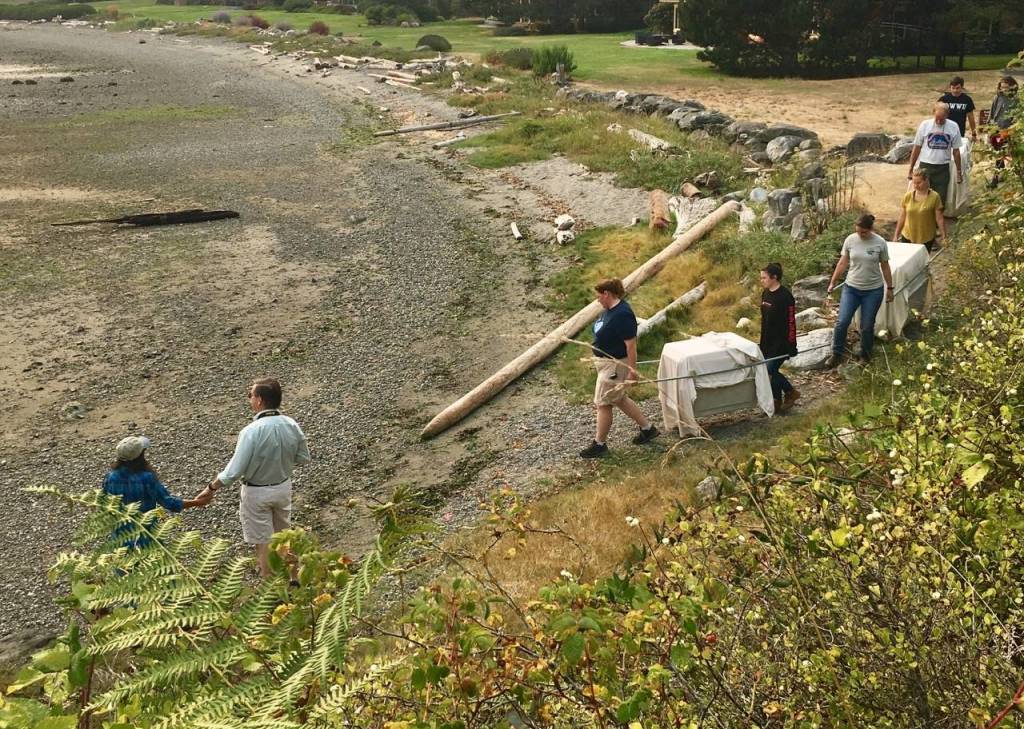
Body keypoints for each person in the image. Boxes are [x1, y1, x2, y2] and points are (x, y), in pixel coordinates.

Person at [195, 378, 311, 577]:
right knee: (284, 535)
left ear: (259, 400)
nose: (249, 399)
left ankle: (268, 590)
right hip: (283, 486)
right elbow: (303, 457)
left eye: (250, 395)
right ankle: (294, 578)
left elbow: (234, 471)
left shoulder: (251, 431)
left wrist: (211, 488)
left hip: (256, 491)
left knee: (263, 541)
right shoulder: (291, 424)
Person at [579, 278, 659, 458]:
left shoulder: (622, 314)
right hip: (604, 364)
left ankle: (599, 444)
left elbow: (631, 345)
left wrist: (632, 371)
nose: (597, 299)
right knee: (619, 399)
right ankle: (648, 429)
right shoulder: (608, 310)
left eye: (599, 296)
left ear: (607, 294)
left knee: (603, 402)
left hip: (615, 366)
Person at [103, 436, 208, 546]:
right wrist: (197, 502)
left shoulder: (110, 477)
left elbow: (105, 505)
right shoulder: (146, 478)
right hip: (147, 539)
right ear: (140, 456)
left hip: (120, 540)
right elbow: (169, 503)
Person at [825, 214, 894, 366]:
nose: (860, 234)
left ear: (870, 229)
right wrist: (833, 281)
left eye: (863, 232)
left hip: (873, 290)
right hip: (851, 288)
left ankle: (865, 355)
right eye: (858, 231)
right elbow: (843, 262)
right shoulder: (850, 240)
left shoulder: (880, 243)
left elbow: (885, 266)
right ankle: (837, 353)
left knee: (867, 325)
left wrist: (890, 288)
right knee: (842, 321)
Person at [758, 263, 799, 412]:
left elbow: (791, 321)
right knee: (770, 370)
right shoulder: (765, 293)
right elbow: (764, 320)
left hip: (781, 342)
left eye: (764, 277)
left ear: (774, 277)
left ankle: (790, 392)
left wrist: (792, 344)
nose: (761, 280)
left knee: (770, 369)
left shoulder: (785, 296)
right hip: (768, 341)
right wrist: (762, 343)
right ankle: (777, 401)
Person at [907, 101, 963, 206]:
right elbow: (917, 147)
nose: (938, 121)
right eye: (936, 118)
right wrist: (910, 169)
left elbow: (956, 151)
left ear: (947, 115)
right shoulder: (925, 125)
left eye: (941, 119)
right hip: (925, 165)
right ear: (933, 113)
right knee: (922, 195)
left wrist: (959, 172)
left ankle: (937, 220)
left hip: (943, 167)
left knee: (940, 198)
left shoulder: (953, 127)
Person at [894, 169, 945, 252]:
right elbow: (902, 217)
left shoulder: (935, 197)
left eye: (919, 182)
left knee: (922, 261)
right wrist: (896, 235)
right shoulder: (907, 197)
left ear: (926, 180)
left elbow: (939, 218)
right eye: (914, 183)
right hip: (908, 235)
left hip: (926, 237)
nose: (916, 185)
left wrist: (944, 236)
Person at [987, 76, 1019, 189]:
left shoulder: (1016, 99)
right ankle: (995, 178)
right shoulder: (997, 97)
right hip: (997, 130)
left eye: (1006, 87)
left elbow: (1017, 116)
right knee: (999, 155)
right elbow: (992, 112)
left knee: (1011, 155)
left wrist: (1012, 130)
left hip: (1009, 131)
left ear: (1012, 86)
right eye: (1002, 87)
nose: (1003, 89)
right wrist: (990, 127)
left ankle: (1013, 178)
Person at [938, 75, 977, 140]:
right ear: (950, 87)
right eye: (953, 88)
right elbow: (937, 115)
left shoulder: (967, 100)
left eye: (957, 88)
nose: (955, 90)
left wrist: (974, 133)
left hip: (959, 131)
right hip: (945, 130)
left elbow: (971, 117)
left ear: (962, 87)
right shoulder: (944, 99)